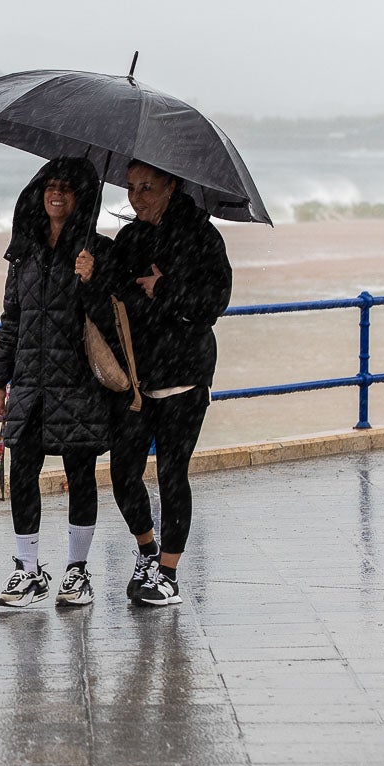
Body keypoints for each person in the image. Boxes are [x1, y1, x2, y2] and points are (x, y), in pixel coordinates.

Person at [99, 159, 232, 606]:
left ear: (172, 186)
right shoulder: (130, 236)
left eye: (148, 187)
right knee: (122, 474)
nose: (137, 197)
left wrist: (165, 289)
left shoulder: (202, 237)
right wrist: (88, 265)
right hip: (137, 379)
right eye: (131, 187)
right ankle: (146, 550)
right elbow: (112, 293)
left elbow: (214, 302)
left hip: (185, 377)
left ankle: (169, 574)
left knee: (173, 475)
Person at [0, 156, 116, 608]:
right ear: (38, 193)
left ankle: (77, 573)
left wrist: (92, 281)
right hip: (30, 382)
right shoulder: (24, 251)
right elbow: (12, 318)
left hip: (78, 382)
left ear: (80, 198)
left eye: (65, 187)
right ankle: (28, 570)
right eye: (49, 186)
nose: (56, 193)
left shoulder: (95, 250)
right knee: (23, 471)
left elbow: (111, 322)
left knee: (80, 474)